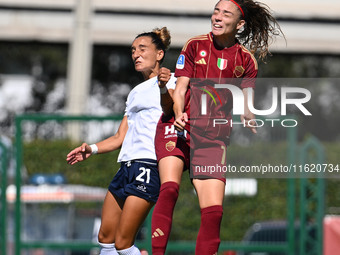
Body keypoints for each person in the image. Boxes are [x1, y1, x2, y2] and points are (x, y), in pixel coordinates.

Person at [151, 1, 283, 254]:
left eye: (226, 14)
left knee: (213, 214)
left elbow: (247, 99)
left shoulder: (247, 60)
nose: (218, 17)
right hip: (179, 126)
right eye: (216, 11)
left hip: (212, 137)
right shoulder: (194, 45)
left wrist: (248, 114)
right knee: (169, 189)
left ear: (240, 24)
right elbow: (179, 87)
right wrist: (178, 113)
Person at [66, 27, 176, 255]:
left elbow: (174, 109)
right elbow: (119, 137)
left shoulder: (174, 81)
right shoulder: (135, 92)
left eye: (142, 49)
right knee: (105, 238)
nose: (135, 54)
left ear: (159, 54)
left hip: (148, 165)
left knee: (124, 243)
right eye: (133, 50)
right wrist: (92, 148)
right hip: (125, 166)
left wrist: (164, 87)